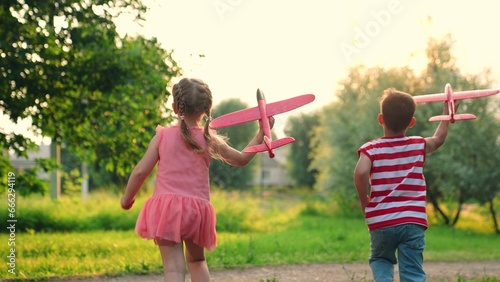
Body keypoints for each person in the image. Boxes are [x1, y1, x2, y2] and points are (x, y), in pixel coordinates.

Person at [121, 77, 272, 282]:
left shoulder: (162, 137)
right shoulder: (209, 138)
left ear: (175, 107)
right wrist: (261, 133)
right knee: (197, 262)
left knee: (173, 269)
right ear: (207, 109)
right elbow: (241, 159)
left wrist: (127, 199)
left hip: (166, 210)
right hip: (196, 212)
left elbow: (140, 172)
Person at [353, 88, 456, 282]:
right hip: (412, 220)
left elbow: (360, 172)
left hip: (380, 220)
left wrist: (363, 200)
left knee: (381, 259)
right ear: (411, 122)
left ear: (380, 119)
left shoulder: (371, 149)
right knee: (412, 272)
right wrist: (446, 114)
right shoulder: (418, 145)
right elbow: (438, 139)